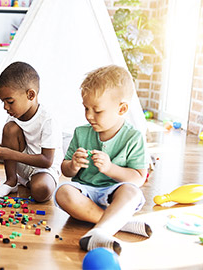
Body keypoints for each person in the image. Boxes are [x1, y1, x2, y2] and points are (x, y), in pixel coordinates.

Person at [54, 65, 152, 255]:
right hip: (86, 192)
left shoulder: (133, 137)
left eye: (97, 111)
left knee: (131, 192)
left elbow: (138, 178)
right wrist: (73, 165)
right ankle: (118, 222)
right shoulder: (81, 133)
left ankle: (100, 231)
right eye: (86, 108)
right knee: (63, 192)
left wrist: (110, 168)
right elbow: (65, 170)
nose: (89, 116)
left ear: (122, 108)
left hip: (115, 192)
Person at [0, 62, 63, 202]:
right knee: (10, 128)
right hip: (22, 164)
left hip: (44, 168)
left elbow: (47, 161)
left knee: (40, 191)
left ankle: (28, 182)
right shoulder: (13, 116)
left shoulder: (48, 120)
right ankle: (11, 181)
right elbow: (12, 145)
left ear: (30, 95)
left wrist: (9, 153)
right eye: (3, 102)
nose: (5, 107)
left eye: (9, 101)